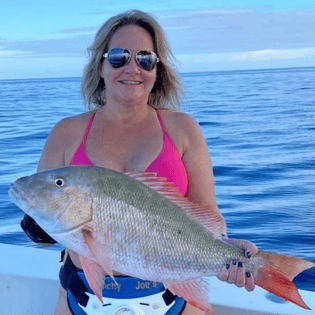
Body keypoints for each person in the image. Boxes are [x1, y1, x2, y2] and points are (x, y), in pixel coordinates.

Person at [21, 9, 258, 315]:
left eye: (145, 58)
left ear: (157, 69)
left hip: (173, 301)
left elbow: (207, 212)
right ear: (102, 65)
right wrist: (35, 228)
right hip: (83, 299)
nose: (132, 68)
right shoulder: (66, 132)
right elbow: (45, 224)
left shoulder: (183, 129)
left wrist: (226, 250)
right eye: (119, 56)